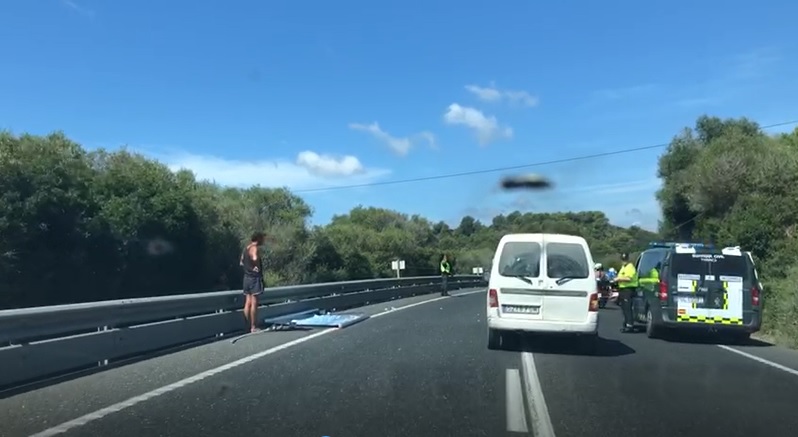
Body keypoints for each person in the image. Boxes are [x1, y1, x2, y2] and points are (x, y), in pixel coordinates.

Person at [240, 232, 266, 333]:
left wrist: (248, 267)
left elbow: (241, 262)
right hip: (254, 278)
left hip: (246, 278)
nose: (263, 241)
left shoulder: (246, 248)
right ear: (258, 239)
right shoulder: (254, 248)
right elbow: (255, 258)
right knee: (254, 303)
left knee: (247, 302)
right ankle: (253, 326)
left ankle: (246, 326)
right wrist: (256, 266)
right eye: (262, 239)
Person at [615, 252, 638, 333]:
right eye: (622, 259)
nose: (624, 261)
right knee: (624, 308)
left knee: (627, 308)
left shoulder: (630, 267)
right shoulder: (623, 267)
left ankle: (630, 325)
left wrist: (618, 279)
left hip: (628, 289)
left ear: (628, 259)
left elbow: (629, 279)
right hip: (622, 289)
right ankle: (626, 323)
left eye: (625, 259)